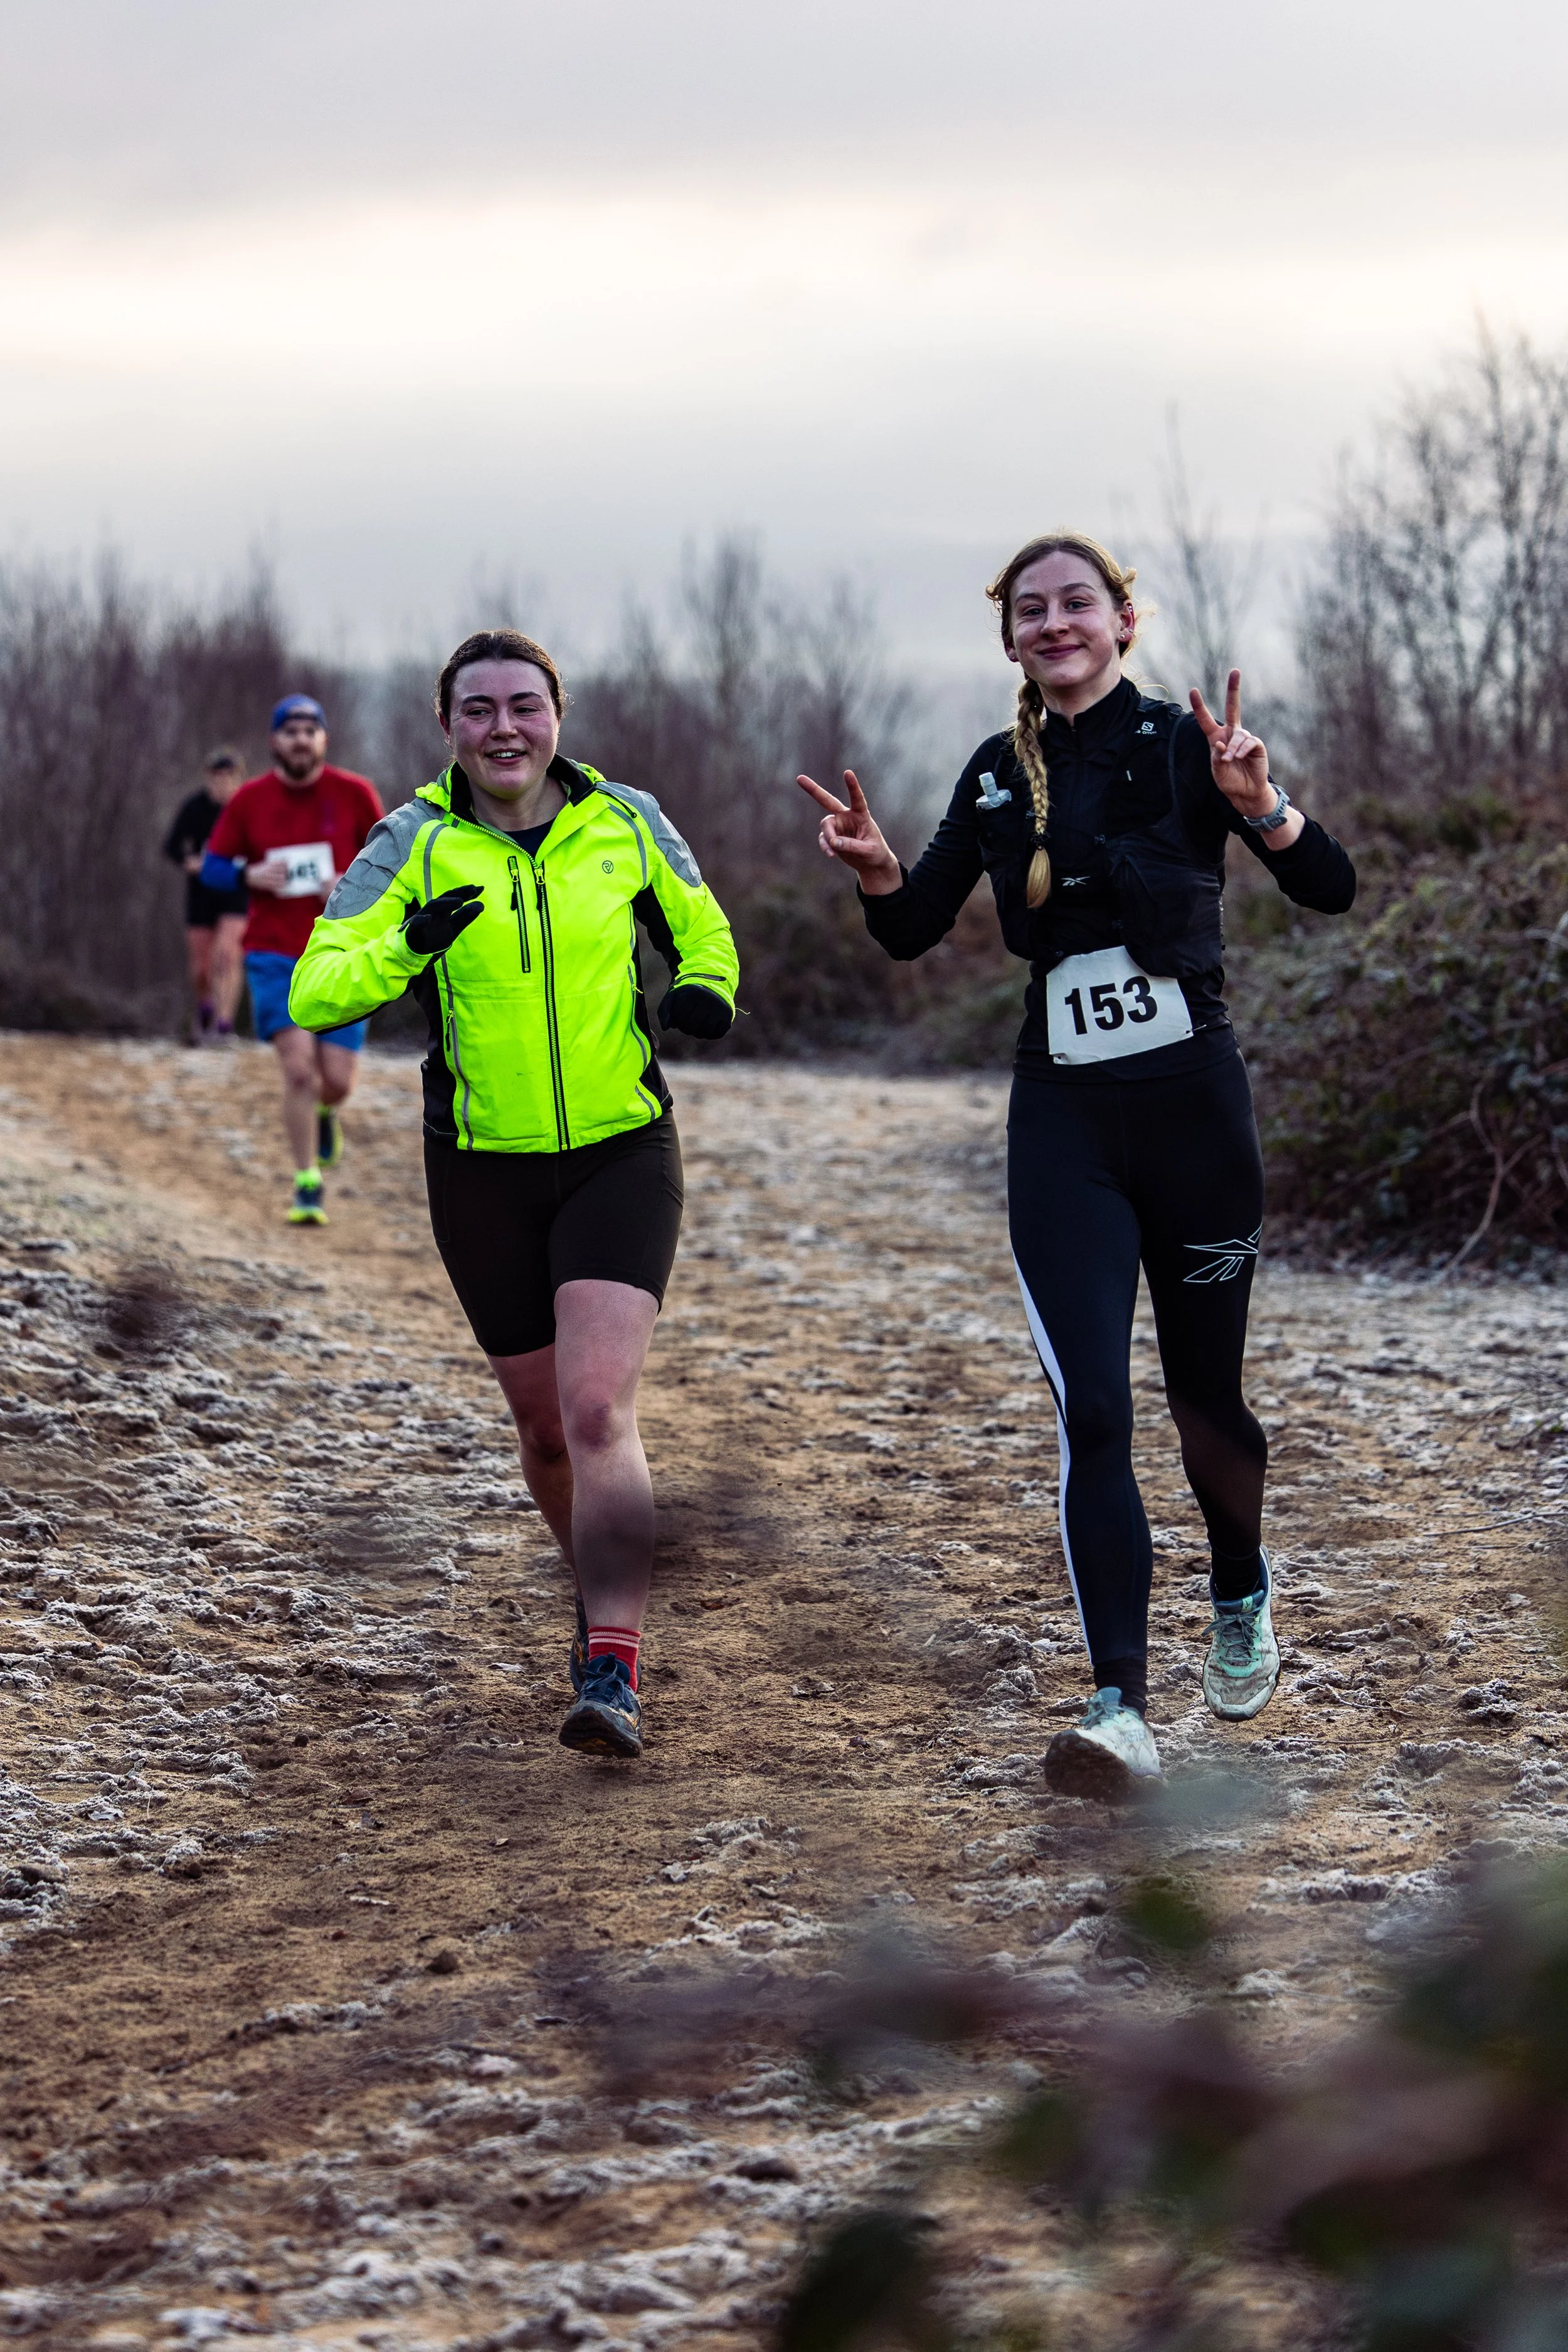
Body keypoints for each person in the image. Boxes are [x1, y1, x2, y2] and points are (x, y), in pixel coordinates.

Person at [797, 532, 1356, 1799]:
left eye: (1076, 605)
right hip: (1063, 1127)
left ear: (1120, 621)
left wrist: (1260, 801)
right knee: (1091, 1410)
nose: (1054, 624)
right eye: (1029, 611)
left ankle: (1236, 1584)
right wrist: (879, 869)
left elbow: (1327, 886)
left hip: (1195, 1119)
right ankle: (1118, 1708)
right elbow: (910, 929)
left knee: (1203, 1404)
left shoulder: (1184, 748)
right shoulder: (997, 773)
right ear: (1008, 640)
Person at [289, 628, 739, 1761]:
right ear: (450, 726)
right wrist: (404, 945)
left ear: (558, 714)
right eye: (480, 709)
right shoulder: (412, 841)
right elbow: (317, 981)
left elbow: (705, 927)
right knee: (544, 1431)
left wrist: (702, 991)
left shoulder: (625, 820)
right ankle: (597, 1595)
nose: (505, 728)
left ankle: (613, 1665)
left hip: (620, 1151)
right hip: (481, 1168)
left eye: (525, 706)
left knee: (597, 1410)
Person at [201, 696, 383, 1224]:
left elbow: (396, 858)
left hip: (344, 952)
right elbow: (211, 867)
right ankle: (307, 1182)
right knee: (299, 1072)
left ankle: (329, 1111)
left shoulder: (355, 794)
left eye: (310, 729)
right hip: (274, 953)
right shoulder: (249, 801)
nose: (301, 738)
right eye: (291, 730)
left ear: (324, 739)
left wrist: (351, 882)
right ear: (274, 742)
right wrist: (246, 876)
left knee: (337, 1081)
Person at [162, 746, 248, 1041]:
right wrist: (191, 863)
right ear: (208, 778)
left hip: (236, 891)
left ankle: (225, 1025)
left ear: (238, 778)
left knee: (228, 955)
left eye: (229, 776)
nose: (222, 782)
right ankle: (205, 1008)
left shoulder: (247, 806)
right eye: (217, 776)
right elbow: (172, 846)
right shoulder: (194, 807)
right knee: (201, 968)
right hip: (201, 892)